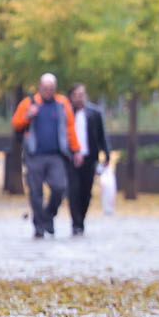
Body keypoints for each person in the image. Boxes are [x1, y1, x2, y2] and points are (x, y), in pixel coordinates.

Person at [11, 73, 80, 239]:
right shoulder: (29, 103)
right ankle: (39, 227)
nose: (48, 91)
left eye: (51, 88)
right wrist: (28, 115)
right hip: (35, 155)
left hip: (56, 155)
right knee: (35, 193)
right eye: (45, 88)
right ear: (39, 87)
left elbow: (70, 128)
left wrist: (76, 149)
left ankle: (48, 216)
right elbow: (16, 124)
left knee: (60, 187)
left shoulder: (62, 103)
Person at [58, 84, 111, 236]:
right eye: (77, 94)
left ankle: (81, 219)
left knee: (86, 192)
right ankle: (76, 223)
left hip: (89, 158)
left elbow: (101, 136)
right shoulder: (66, 113)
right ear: (71, 96)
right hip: (71, 158)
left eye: (82, 94)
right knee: (73, 190)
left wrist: (106, 153)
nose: (80, 97)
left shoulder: (94, 113)